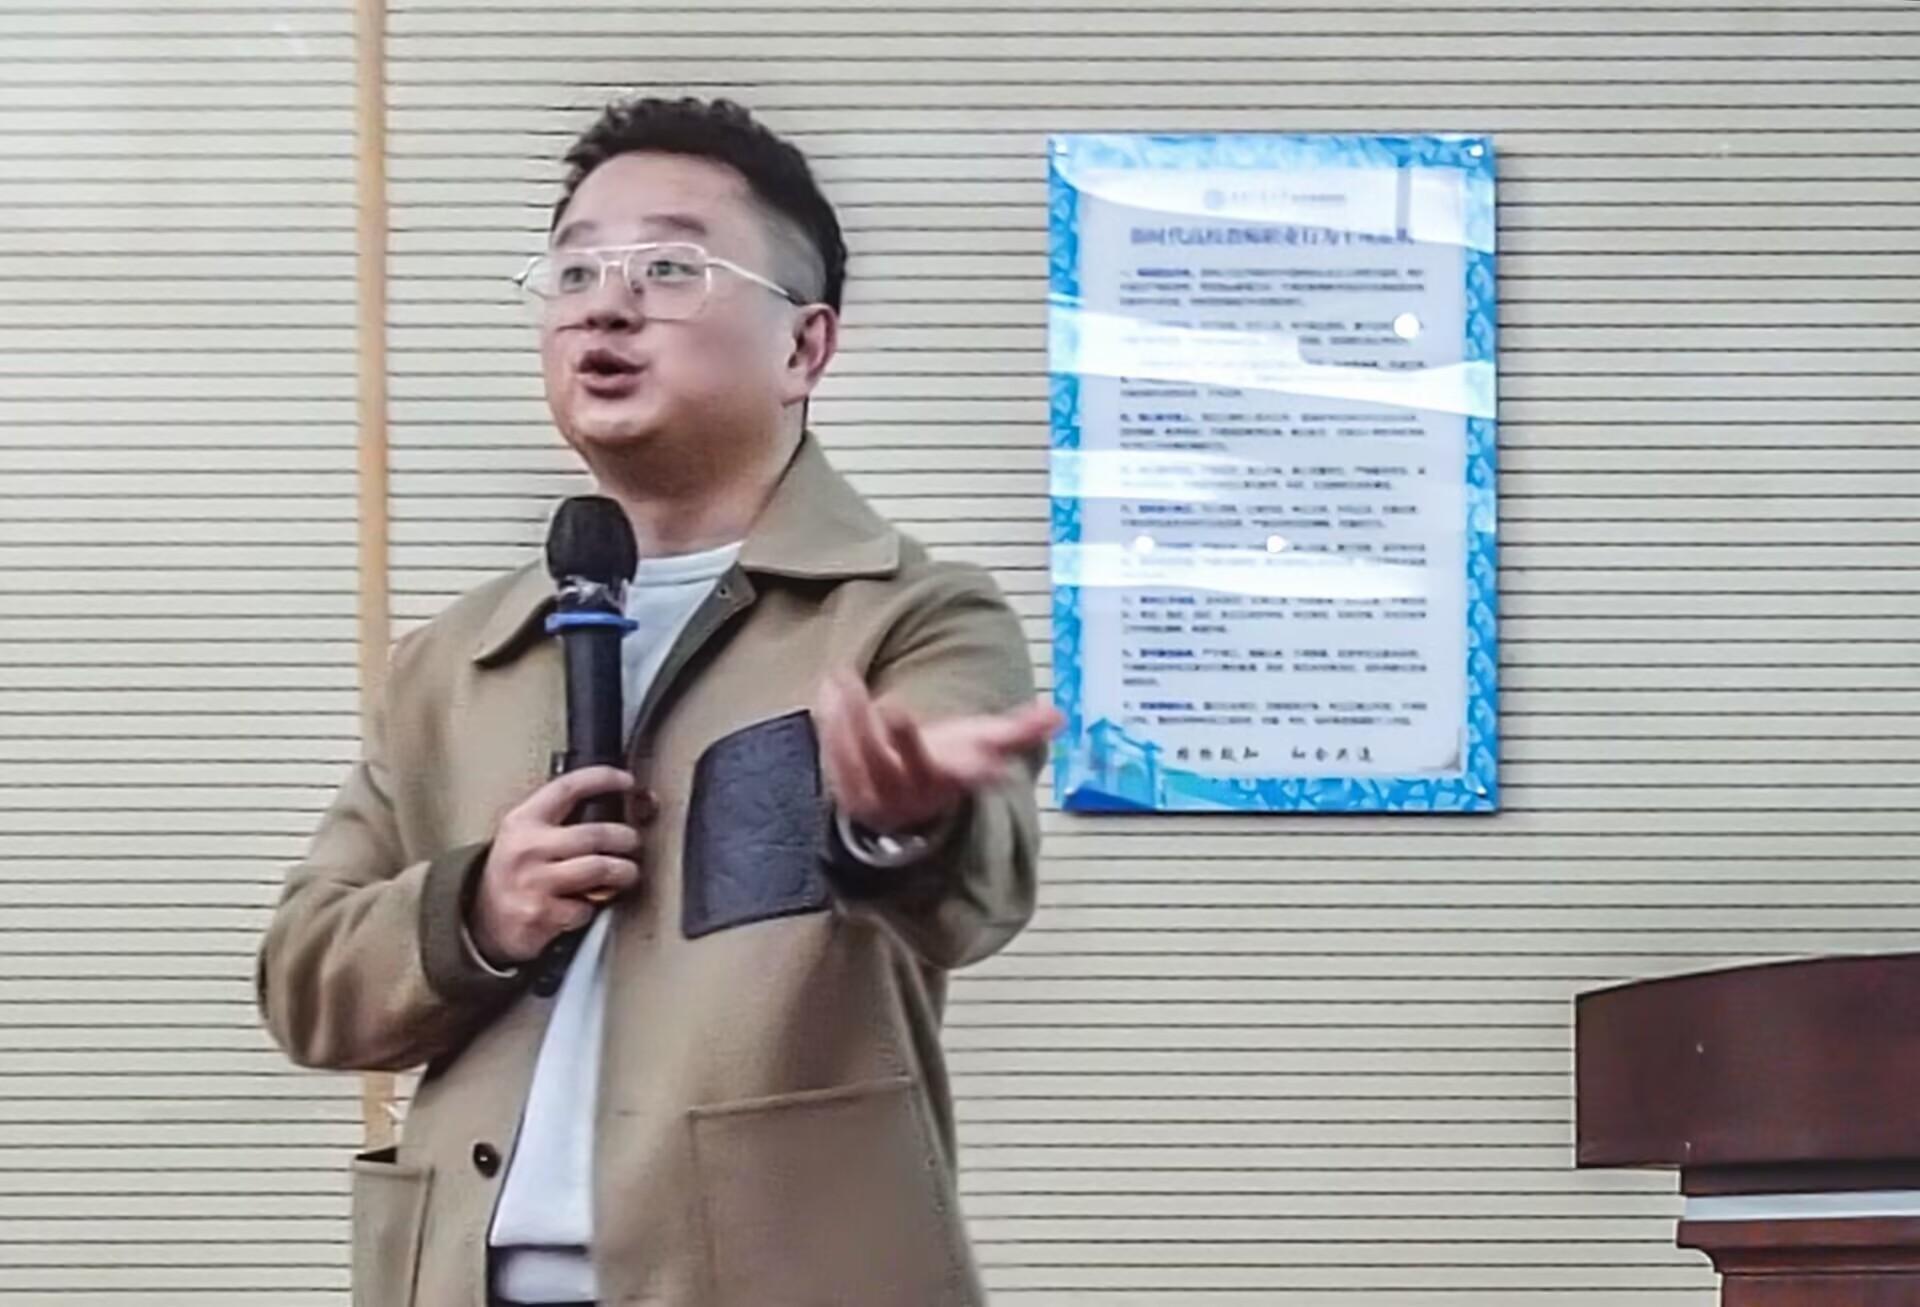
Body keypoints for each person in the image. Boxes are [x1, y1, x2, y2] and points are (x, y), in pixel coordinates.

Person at [256, 95, 1058, 1307]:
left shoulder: (907, 614)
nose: (605, 303)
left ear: (805, 348)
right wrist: (478, 907)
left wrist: (903, 823)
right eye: (575, 268)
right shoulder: (453, 661)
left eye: (672, 267)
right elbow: (306, 976)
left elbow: (977, 887)